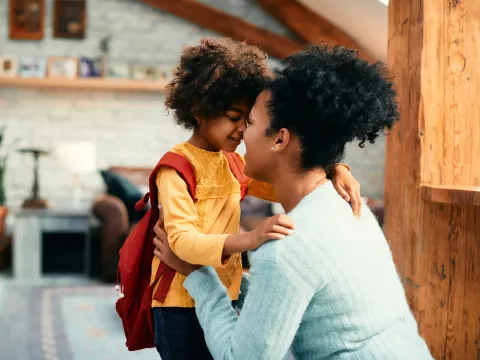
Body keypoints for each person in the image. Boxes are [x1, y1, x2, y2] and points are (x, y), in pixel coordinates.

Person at [153, 44, 434, 360]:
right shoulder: (349, 205)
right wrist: (335, 168)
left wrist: (198, 274)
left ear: (280, 139)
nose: (242, 133)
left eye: (252, 121)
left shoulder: (284, 250)